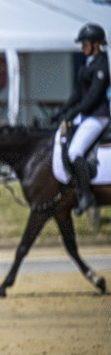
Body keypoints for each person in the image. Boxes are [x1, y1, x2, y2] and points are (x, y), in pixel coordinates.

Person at [53, 22, 110, 215]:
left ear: (96, 44)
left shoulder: (102, 64)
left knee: (75, 151)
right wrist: (63, 110)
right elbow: (78, 92)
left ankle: (86, 195)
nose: (82, 47)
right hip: (86, 115)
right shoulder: (87, 63)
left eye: (85, 44)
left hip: (98, 116)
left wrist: (73, 112)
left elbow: (93, 96)